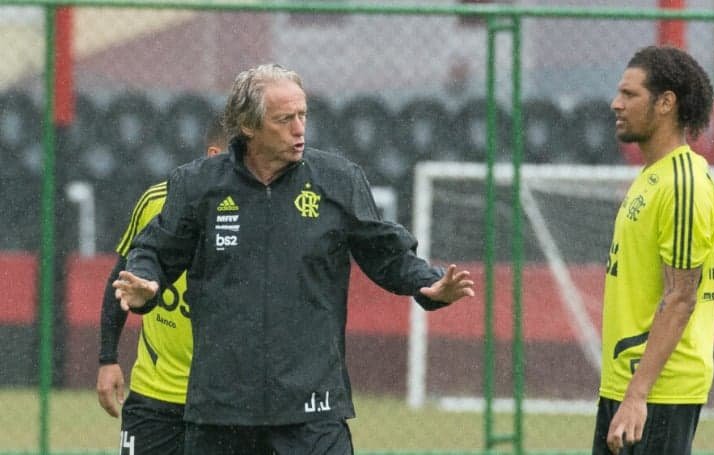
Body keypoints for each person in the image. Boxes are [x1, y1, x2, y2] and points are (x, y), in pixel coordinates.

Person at [112, 63, 475, 454]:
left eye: (303, 115)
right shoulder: (198, 185)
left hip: (313, 408)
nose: (299, 129)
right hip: (222, 410)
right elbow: (154, 251)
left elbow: (387, 254)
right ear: (248, 126)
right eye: (284, 119)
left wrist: (428, 283)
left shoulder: (337, 180)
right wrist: (146, 282)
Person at [594, 45, 714, 455]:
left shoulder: (683, 183)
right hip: (626, 384)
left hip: (658, 394)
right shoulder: (652, 175)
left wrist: (638, 396)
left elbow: (681, 296)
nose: (617, 104)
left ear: (666, 102)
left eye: (630, 95)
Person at [96, 115, 228, 454]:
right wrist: (107, 358)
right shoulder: (158, 200)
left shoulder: (264, 211)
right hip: (155, 397)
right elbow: (120, 280)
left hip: (227, 401)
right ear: (215, 155)